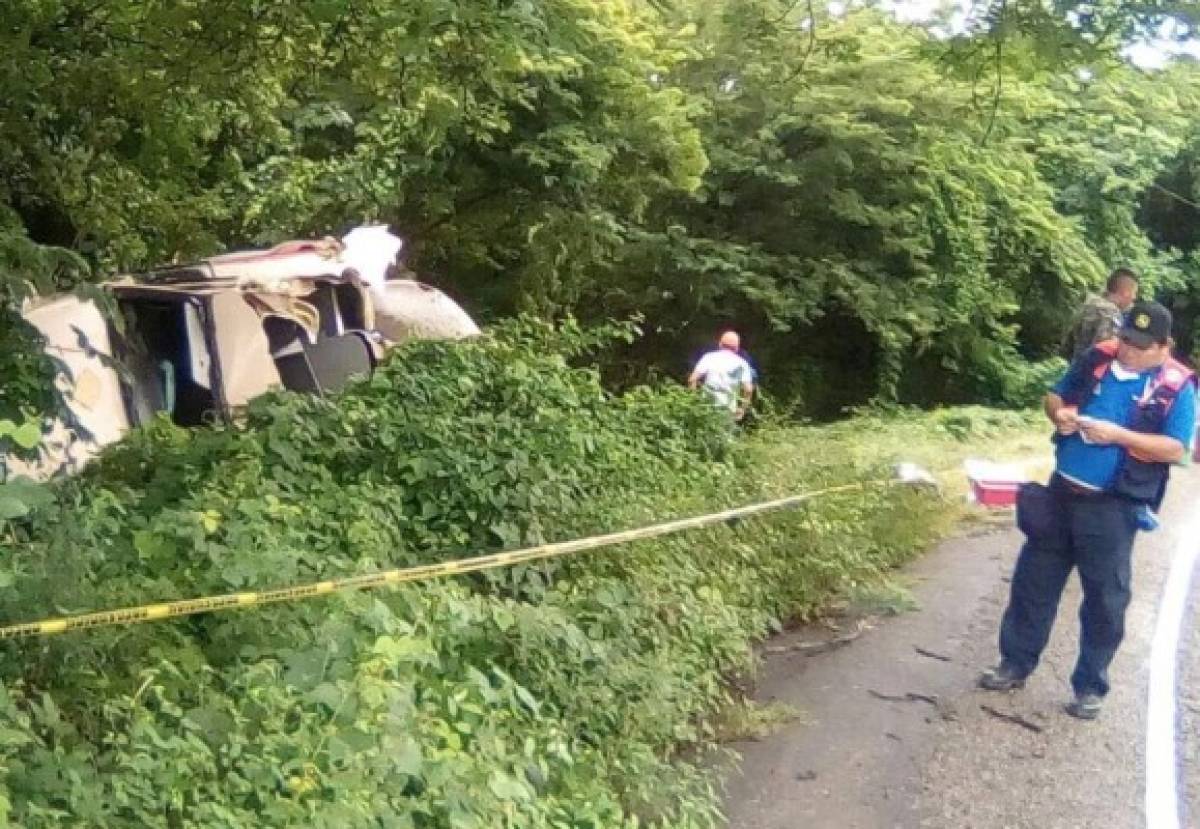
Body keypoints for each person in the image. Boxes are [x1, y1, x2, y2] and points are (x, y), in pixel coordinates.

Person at [980, 301, 1197, 720]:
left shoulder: (1176, 387)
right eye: (1126, 340)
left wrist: (1119, 436)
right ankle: (1015, 663)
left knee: (1104, 600)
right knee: (1033, 583)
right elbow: (1055, 396)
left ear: (1164, 346)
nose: (1128, 351)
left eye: (1139, 346)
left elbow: (1176, 449)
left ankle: (1090, 685)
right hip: (1060, 495)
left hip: (1111, 509)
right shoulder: (1098, 357)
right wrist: (1060, 414)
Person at [1063, 268, 1139, 361]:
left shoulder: (1088, 304)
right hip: (1091, 372)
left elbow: (1066, 346)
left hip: (1075, 369)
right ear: (1125, 293)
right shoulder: (1109, 313)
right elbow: (1107, 352)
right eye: (1134, 293)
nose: (1134, 298)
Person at [688, 331, 755, 420]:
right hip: (728, 410)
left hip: (706, 405)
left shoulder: (709, 357)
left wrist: (694, 401)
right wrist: (742, 409)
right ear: (737, 348)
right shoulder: (742, 364)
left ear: (720, 344)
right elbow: (748, 390)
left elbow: (692, 379)